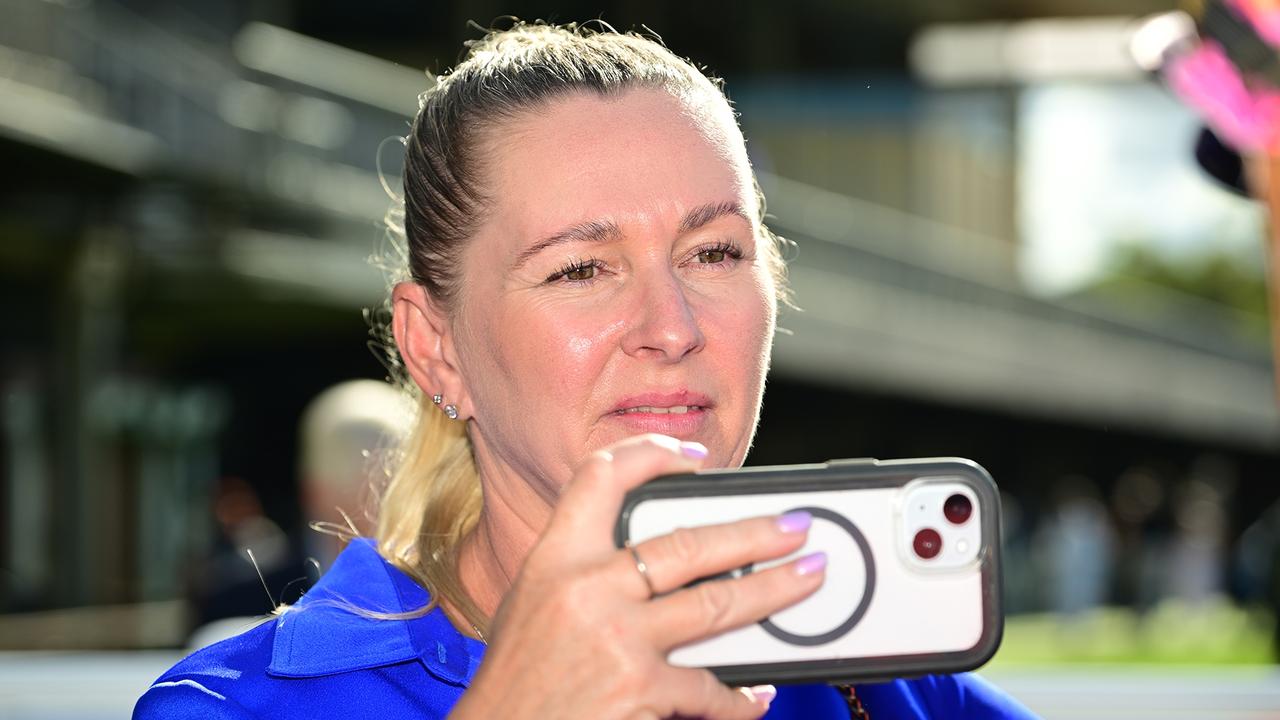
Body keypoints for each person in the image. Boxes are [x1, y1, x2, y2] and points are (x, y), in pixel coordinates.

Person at [135, 22, 1036, 719]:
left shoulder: (883, 683)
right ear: (433, 344)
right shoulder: (242, 703)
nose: (671, 327)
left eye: (715, 253)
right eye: (579, 269)